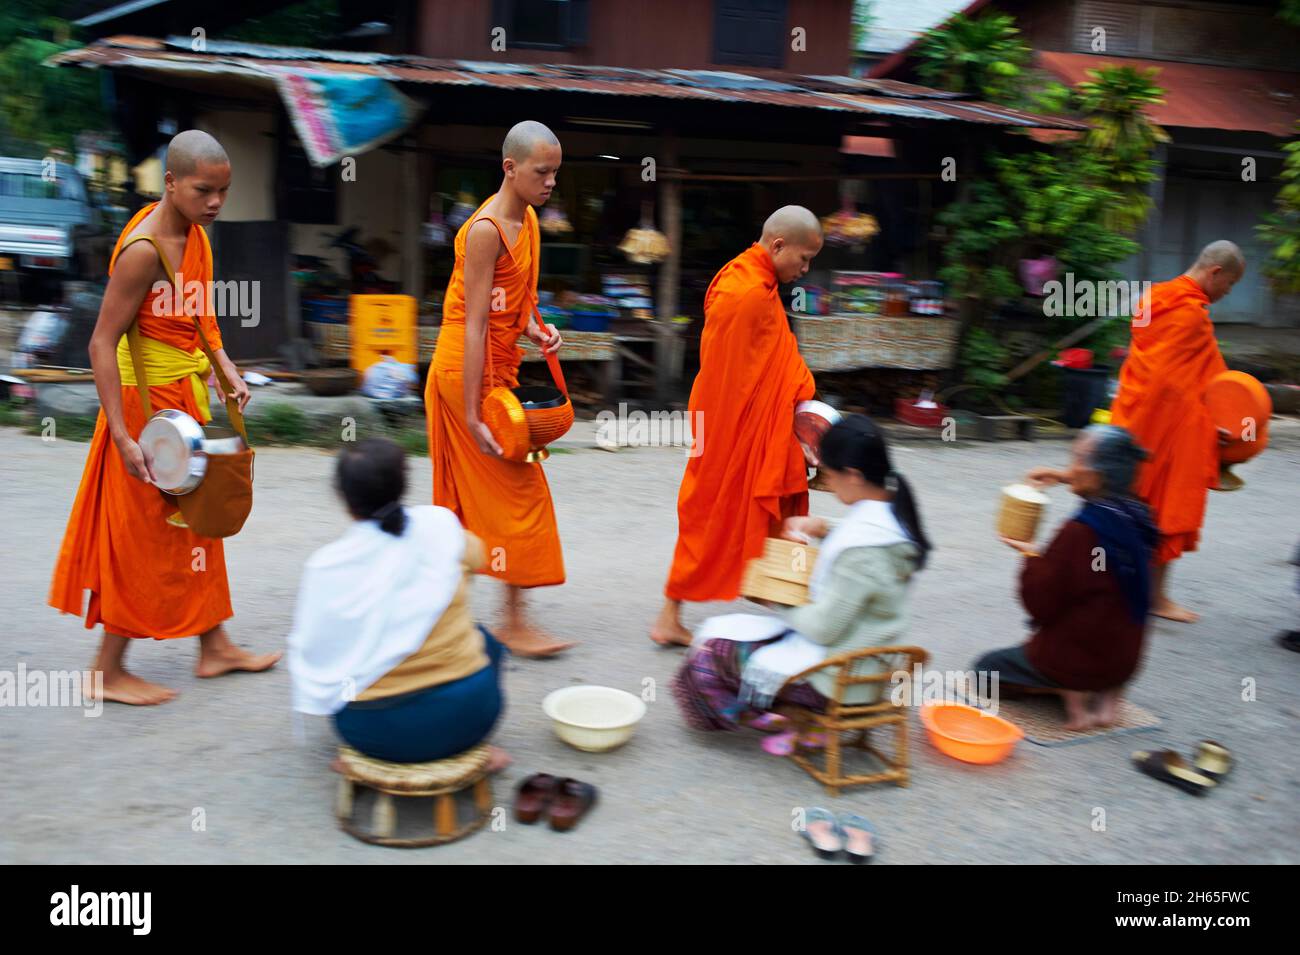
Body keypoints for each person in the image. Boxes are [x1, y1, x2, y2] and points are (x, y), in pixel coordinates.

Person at [48, 130, 279, 705]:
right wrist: (123, 436)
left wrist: (222, 363)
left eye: (224, 191)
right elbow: (101, 344)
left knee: (197, 517)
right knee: (142, 532)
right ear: (170, 183)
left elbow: (200, 312)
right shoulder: (144, 250)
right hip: (142, 405)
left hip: (184, 393)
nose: (216, 203)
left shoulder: (195, 236)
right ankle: (106, 669)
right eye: (204, 190)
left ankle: (214, 645)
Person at [671, 415, 929, 754]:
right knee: (733, 638)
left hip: (840, 677)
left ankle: (794, 713)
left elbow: (823, 628)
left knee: (709, 657)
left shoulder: (866, 553)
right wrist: (822, 526)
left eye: (831, 477)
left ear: (852, 475)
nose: (830, 485)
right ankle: (795, 715)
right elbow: (863, 542)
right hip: (864, 659)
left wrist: (778, 599)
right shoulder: (891, 512)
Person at [424, 120, 571, 658]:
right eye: (542, 172)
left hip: (497, 369)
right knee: (520, 490)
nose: (551, 183)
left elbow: (514, 304)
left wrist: (537, 329)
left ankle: (453, 616)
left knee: (473, 502)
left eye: (555, 172)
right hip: (465, 373)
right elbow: (475, 323)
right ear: (510, 168)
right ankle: (508, 621)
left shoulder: (528, 220)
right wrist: (470, 414)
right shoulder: (485, 230)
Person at [652, 206, 823, 647]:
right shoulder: (745, 291)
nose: (805, 270)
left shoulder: (756, 281)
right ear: (778, 245)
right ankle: (670, 616)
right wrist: (774, 420)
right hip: (732, 427)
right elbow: (730, 376)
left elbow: (767, 359)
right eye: (803, 259)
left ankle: (777, 601)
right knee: (709, 515)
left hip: (754, 421)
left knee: (777, 509)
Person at [287, 438, 510, 771]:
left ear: (343, 499)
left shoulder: (326, 566)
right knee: (485, 640)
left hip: (374, 731)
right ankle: (472, 748)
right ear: (404, 483)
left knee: (343, 669)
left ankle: (367, 760)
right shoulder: (441, 527)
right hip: (472, 716)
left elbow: (316, 654)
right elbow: (478, 556)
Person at [978, 425, 1157, 731]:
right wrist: (1065, 476)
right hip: (1125, 662)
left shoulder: (1080, 532)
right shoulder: (1139, 516)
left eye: (1076, 460)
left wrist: (1031, 555)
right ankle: (1106, 702)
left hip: (1074, 660)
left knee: (986, 670)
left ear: (1098, 474)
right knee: (1107, 613)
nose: (1070, 468)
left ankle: (1073, 701)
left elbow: (1040, 603)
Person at [1109, 241, 1243, 623]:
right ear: (1215, 272)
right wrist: (1216, 418)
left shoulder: (1155, 297)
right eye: (1229, 285)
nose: (1226, 293)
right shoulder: (1190, 314)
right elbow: (1177, 383)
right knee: (1165, 512)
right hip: (1166, 430)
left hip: (1132, 418)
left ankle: (1123, 590)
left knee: (1126, 507)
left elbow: (1157, 369)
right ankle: (1155, 597)